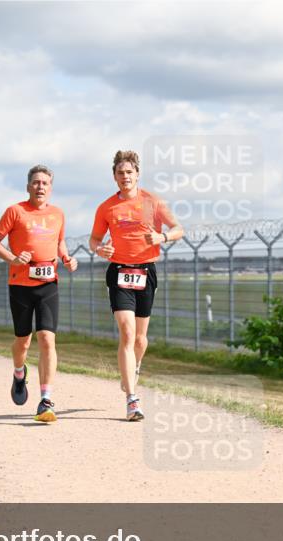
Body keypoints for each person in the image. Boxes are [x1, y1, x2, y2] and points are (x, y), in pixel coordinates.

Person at [89, 149, 184, 421]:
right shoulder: (107, 207)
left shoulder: (152, 202)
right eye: (120, 173)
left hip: (146, 271)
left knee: (141, 339)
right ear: (114, 177)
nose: (125, 177)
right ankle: (132, 399)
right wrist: (100, 250)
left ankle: (135, 367)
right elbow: (95, 240)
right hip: (119, 271)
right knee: (127, 333)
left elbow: (179, 228)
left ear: (137, 174)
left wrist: (162, 237)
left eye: (129, 172)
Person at [0, 164, 77, 422]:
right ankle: (19, 372)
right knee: (23, 341)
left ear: (50, 188)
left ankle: (46, 400)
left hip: (49, 284)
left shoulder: (58, 214)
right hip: (20, 285)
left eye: (45, 183)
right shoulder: (15, 211)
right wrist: (13, 259)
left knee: (47, 339)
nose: (40, 187)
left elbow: (60, 241)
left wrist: (66, 257)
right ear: (28, 186)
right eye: (36, 183)